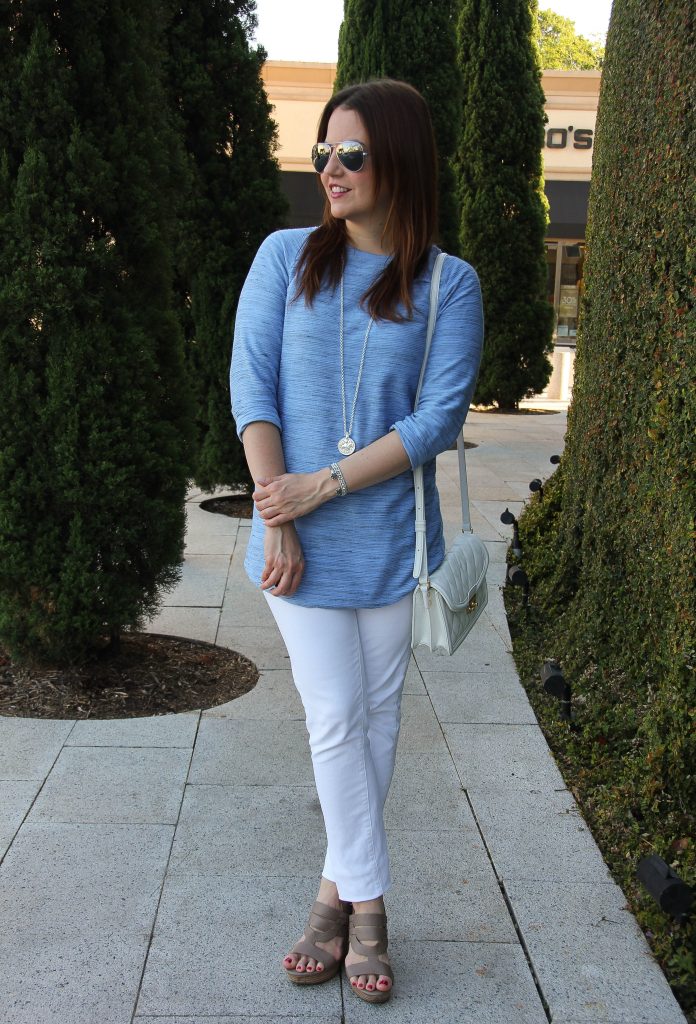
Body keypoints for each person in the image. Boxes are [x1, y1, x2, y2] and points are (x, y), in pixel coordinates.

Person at [229, 77, 484, 1004]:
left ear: (400, 161)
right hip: (294, 536)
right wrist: (277, 507)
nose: (330, 170)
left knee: (375, 725)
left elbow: (435, 422)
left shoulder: (450, 284)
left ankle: (332, 898)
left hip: (393, 543)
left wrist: (322, 484)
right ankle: (372, 909)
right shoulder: (283, 257)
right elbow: (252, 388)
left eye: (352, 155)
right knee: (334, 718)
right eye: (321, 154)